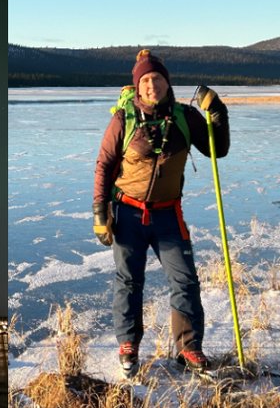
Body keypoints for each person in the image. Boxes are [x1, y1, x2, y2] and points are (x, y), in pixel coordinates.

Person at [92, 49, 230, 377]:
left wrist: (218, 112)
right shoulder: (123, 120)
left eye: (157, 78)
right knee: (128, 281)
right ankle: (128, 346)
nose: (152, 85)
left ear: (167, 83)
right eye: (145, 80)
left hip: (169, 215)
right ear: (137, 88)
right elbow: (104, 165)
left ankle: (189, 348)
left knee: (185, 280)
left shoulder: (185, 117)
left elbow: (217, 150)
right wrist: (100, 213)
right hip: (127, 212)